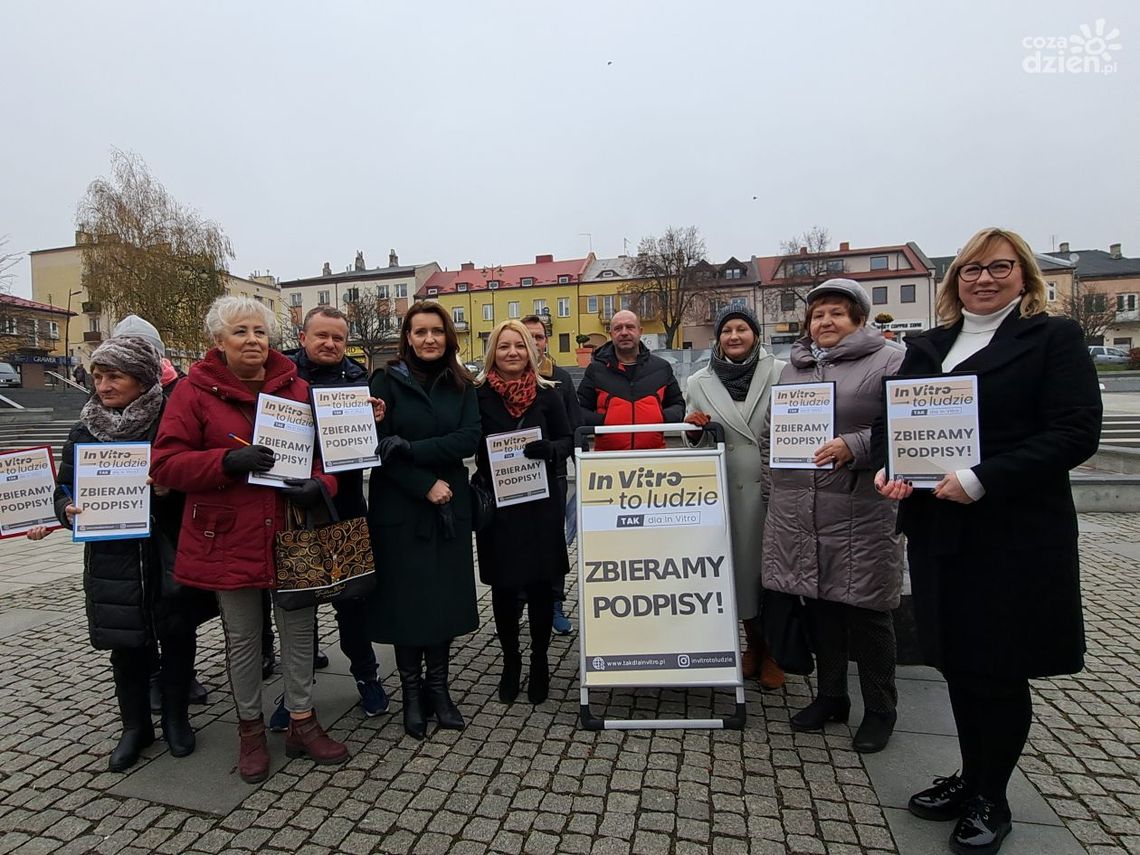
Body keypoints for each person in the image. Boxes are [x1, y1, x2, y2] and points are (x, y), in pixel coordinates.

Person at [874, 228, 1101, 855]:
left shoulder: (1053, 338)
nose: (983, 279)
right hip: (939, 530)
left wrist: (981, 479)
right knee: (957, 661)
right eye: (971, 270)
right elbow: (895, 422)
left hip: (1012, 531)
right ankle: (971, 775)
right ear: (955, 281)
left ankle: (991, 797)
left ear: (1024, 274)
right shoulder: (930, 344)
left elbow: (1075, 431)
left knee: (998, 667)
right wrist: (892, 468)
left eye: (999, 267)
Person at [152, 295, 349, 783]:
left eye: (259, 331)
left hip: (290, 527)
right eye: (240, 332)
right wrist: (225, 462)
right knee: (243, 638)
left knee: (299, 630)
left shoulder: (297, 388)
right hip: (228, 533)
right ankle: (251, 731)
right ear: (218, 341)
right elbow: (166, 464)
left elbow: (327, 455)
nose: (252, 340)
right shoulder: (193, 392)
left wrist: (320, 484)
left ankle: (302, 720)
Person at [39, 336, 207, 771]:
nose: (104, 385)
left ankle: (176, 720)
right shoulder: (84, 429)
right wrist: (66, 509)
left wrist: (170, 489)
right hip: (111, 560)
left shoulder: (171, 424)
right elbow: (63, 488)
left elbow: (197, 482)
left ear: (143, 379)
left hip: (165, 550)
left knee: (176, 637)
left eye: (115, 376)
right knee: (125, 646)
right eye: (98, 376)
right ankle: (135, 727)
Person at [760, 279, 905, 754]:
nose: (825, 321)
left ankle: (880, 708)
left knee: (868, 611)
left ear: (859, 319)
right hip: (802, 507)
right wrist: (773, 491)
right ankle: (831, 697)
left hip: (861, 506)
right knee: (820, 605)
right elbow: (774, 434)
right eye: (818, 314)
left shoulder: (890, 360)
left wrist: (855, 445)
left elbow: (905, 426)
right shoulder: (795, 368)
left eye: (837, 313)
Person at [269, 306, 390, 726]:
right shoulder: (280, 377)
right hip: (292, 508)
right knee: (297, 607)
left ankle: (367, 677)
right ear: (303, 337)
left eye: (338, 338)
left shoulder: (357, 380)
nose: (330, 344)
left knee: (352, 601)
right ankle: (295, 695)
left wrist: (375, 422)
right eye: (321, 335)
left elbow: (365, 447)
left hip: (345, 507)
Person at [366, 301, 480, 739]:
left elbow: (468, 438)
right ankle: (412, 696)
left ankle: (439, 691)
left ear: (447, 336)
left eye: (436, 331)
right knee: (407, 604)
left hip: (448, 508)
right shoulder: (385, 381)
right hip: (401, 506)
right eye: (420, 332)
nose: (429, 339)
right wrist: (423, 483)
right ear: (408, 338)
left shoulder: (462, 382)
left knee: (443, 601)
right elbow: (378, 446)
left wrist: (412, 449)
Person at [108, 313, 210, 713]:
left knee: (176, 610)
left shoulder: (178, 399)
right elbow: (70, 482)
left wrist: (173, 484)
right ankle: (149, 679)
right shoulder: (98, 412)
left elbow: (193, 461)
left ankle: (180, 679)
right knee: (132, 611)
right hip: (120, 539)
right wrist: (66, 510)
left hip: (169, 528)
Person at [684, 305, 785, 690]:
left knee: (773, 575)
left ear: (755, 334)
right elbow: (694, 439)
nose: (734, 336)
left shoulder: (780, 372)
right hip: (729, 492)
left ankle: (774, 652)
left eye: (742, 328)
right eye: (727, 330)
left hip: (774, 490)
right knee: (742, 575)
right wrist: (693, 431)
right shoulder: (699, 381)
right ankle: (753, 646)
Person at [475, 320, 573, 705]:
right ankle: (511, 661)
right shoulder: (478, 395)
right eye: (504, 346)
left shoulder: (548, 393)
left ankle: (540, 660)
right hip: (500, 508)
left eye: (519, 345)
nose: (512, 352)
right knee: (503, 588)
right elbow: (468, 441)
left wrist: (551, 450)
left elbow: (568, 439)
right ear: (493, 353)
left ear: (531, 351)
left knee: (540, 588)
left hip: (540, 506)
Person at [521, 314, 581, 634]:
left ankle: (555, 602)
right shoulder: (498, 377)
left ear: (546, 341)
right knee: (517, 542)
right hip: (512, 480)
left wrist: (562, 456)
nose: (534, 342)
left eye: (539, 337)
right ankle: (518, 602)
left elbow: (573, 431)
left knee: (553, 542)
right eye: (527, 336)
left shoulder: (561, 379)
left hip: (553, 475)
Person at [577, 309, 684, 451]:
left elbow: (678, 405)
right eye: (618, 328)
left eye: (630, 327)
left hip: (654, 457)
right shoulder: (596, 370)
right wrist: (604, 421)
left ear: (640, 331)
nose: (624, 333)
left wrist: (660, 417)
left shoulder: (661, 368)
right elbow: (579, 410)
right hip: (607, 459)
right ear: (611, 334)